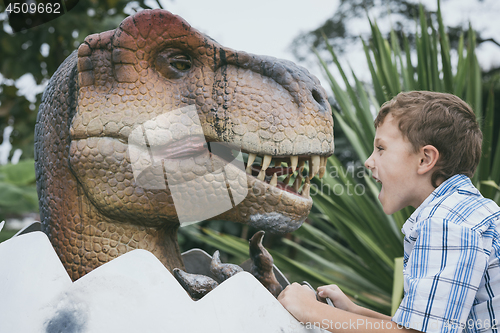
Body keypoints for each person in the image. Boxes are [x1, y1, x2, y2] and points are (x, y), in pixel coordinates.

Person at [278, 91, 500, 333]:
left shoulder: (446, 223)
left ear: (425, 159)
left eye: (381, 148)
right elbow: (423, 326)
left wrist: (310, 310)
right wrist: (351, 312)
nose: (369, 161)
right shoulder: (464, 211)